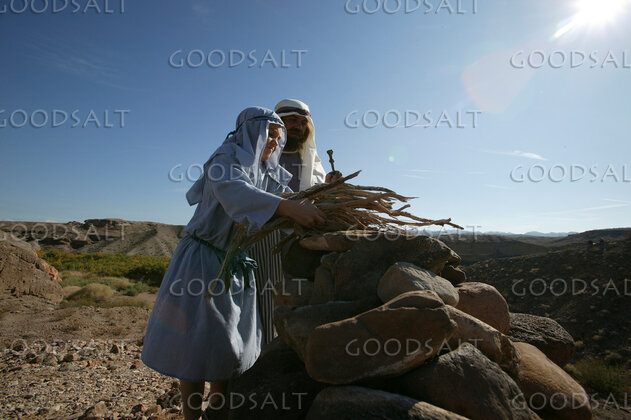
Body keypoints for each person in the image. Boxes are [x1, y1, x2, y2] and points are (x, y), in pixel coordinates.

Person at [140, 106, 325, 420]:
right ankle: (191, 416)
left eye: (277, 139)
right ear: (251, 132)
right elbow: (237, 193)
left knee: (228, 344)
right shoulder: (225, 161)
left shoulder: (264, 170)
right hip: (203, 262)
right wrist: (287, 208)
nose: (273, 143)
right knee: (195, 344)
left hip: (236, 263)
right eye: (269, 135)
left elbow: (282, 196)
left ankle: (218, 412)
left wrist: (314, 201)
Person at [250, 99, 342, 345]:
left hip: (299, 237)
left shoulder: (310, 157)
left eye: (303, 123)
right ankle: (259, 351)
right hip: (263, 233)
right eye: (292, 120)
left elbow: (315, 194)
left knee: (295, 296)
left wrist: (329, 186)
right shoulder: (262, 152)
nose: (298, 127)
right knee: (263, 295)